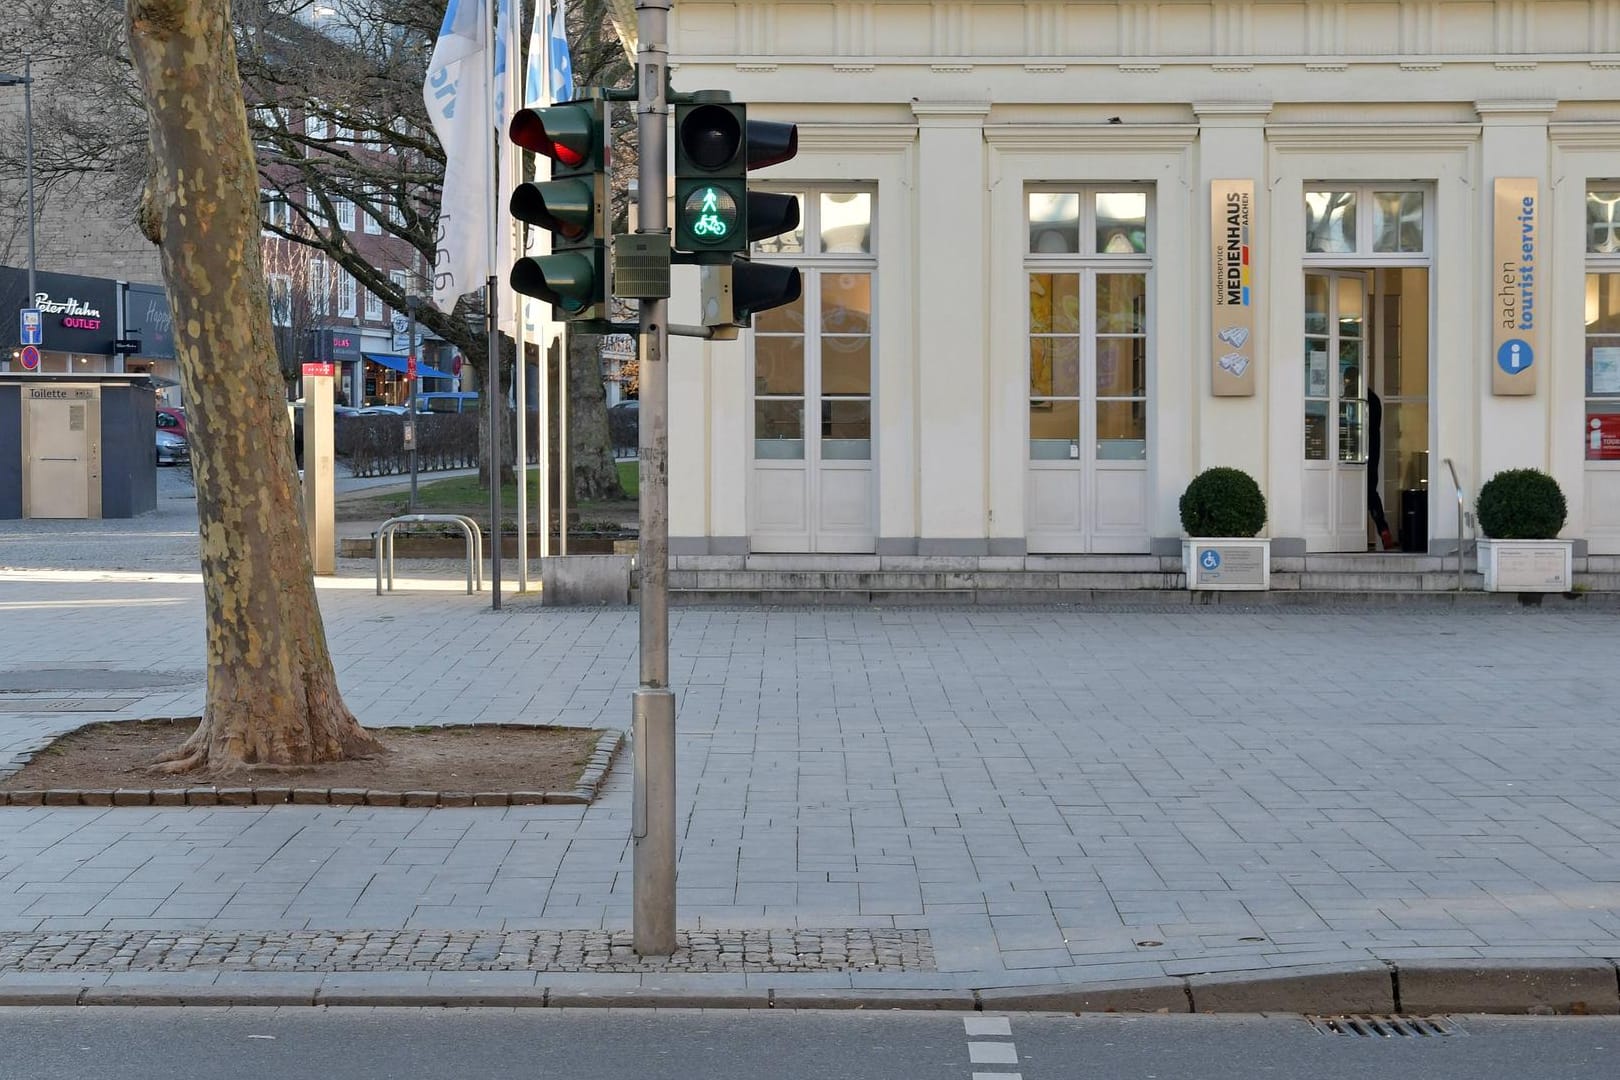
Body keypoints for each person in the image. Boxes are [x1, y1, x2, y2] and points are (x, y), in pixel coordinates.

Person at [1346, 365, 1396, 551]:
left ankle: (1349, 534)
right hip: (1372, 453)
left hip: (1354, 452)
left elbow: (1350, 425)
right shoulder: (1373, 398)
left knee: (1352, 491)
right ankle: (1382, 528)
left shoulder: (1354, 399)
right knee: (1370, 493)